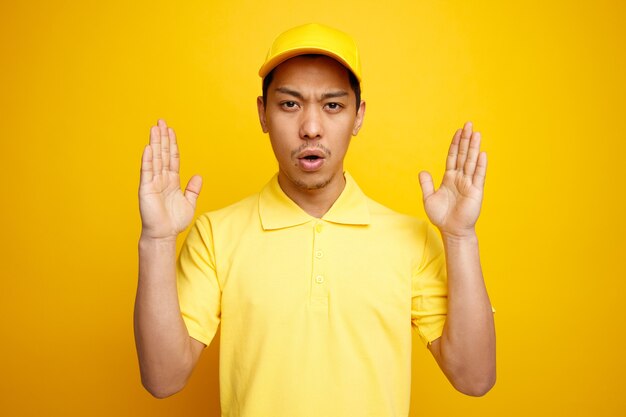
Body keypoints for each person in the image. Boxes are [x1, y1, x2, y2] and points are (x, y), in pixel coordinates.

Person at [134, 23, 495, 417]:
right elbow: (163, 379)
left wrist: (460, 238)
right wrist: (156, 241)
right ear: (263, 113)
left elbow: (474, 378)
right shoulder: (215, 236)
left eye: (333, 105)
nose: (310, 128)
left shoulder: (411, 239)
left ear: (358, 117)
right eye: (289, 104)